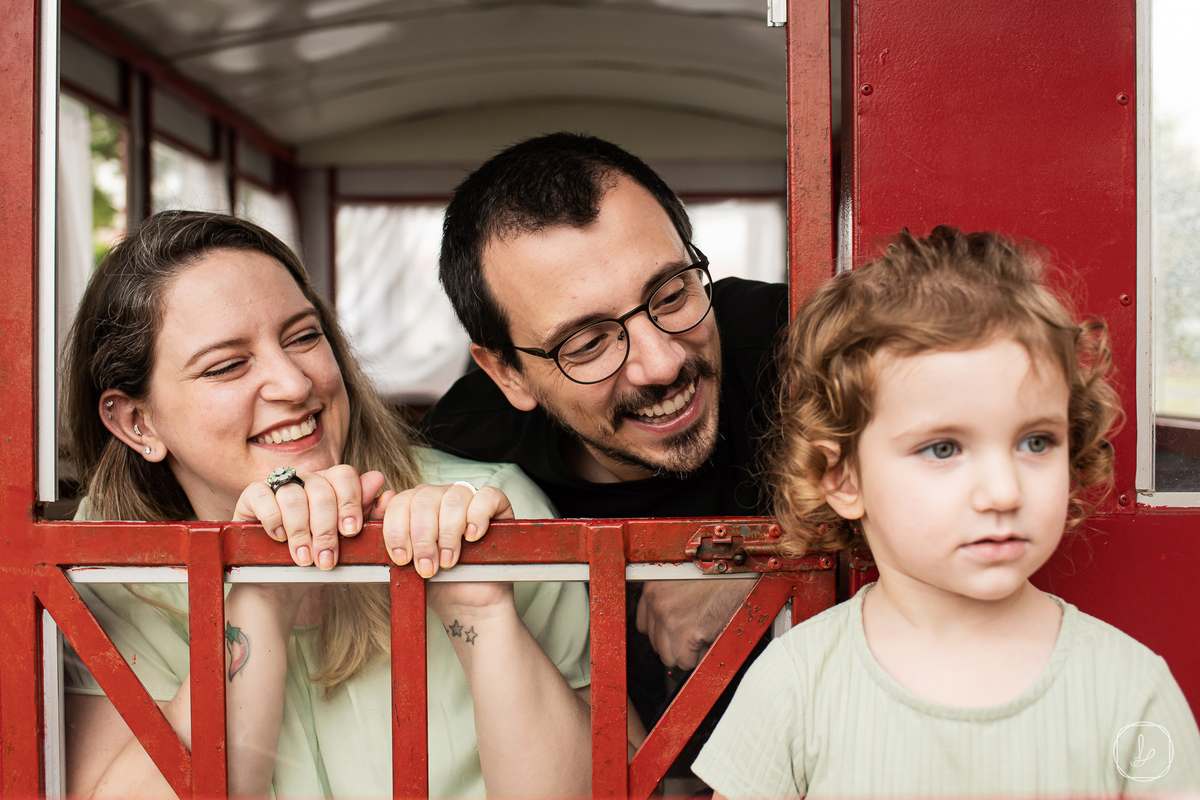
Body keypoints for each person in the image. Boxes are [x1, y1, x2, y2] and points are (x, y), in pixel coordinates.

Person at [60, 210, 592, 798]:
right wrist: (261, 593)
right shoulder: (99, 566)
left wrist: (484, 613)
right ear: (138, 422)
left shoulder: (488, 505)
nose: (294, 383)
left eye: (304, 336)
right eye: (228, 365)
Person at [692, 226, 1200, 797]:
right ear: (843, 478)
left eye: (1036, 442)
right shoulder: (794, 685)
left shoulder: (1130, 690)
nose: (1003, 492)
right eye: (943, 449)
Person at [421, 133, 788, 729]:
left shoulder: (799, 343)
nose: (662, 363)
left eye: (671, 294)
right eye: (587, 344)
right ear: (507, 373)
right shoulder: (458, 449)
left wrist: (764, 558)